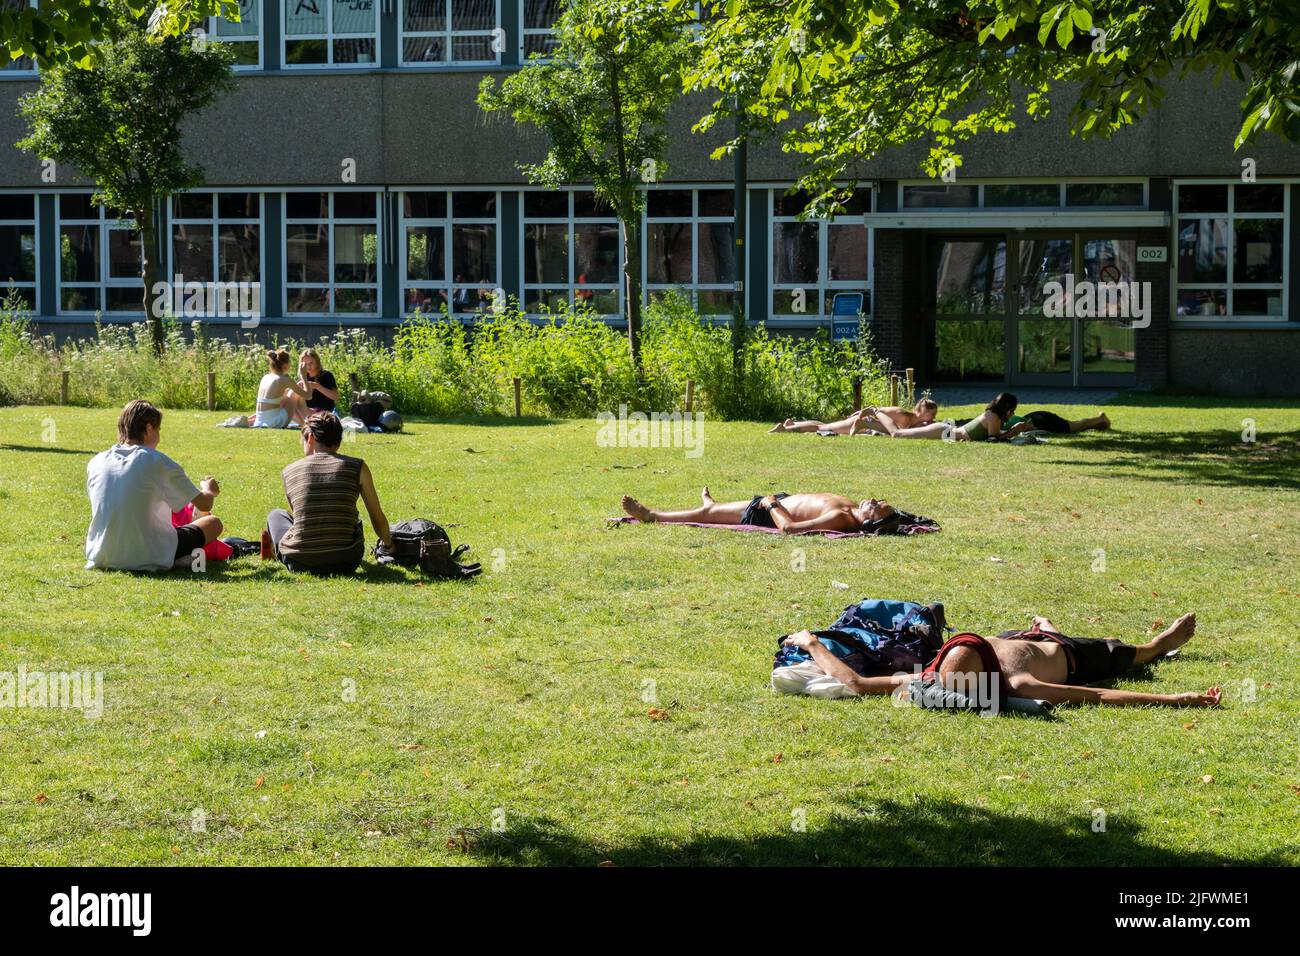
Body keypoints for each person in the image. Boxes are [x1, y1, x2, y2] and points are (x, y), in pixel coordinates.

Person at [781, 611, 1220, 707]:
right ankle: (1161, 644)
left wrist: (811, 642)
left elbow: (855, 681)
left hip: (1021, 636)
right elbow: (1098, 693)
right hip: (1072, 656)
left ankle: (1042, 625)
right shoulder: (1018, 682)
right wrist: (1174, 700)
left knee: (1038, 630)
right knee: (1133, 653)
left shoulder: (933, 674)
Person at [85, 400, 224, 572]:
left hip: (102, 555)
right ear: (149, 428)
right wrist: (208, 489)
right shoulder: (156, 460)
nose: (159, 436)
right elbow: (205, 504)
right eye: (158, 430)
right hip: (149, 553)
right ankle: (176, 559)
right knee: (213, 523)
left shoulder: (96, 461)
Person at [264, 412, 393, 574]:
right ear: (339, 439)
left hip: (300, 562)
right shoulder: (358, 467)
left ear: (310, 437)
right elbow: (376, 516)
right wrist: (389, 545)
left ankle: (278, 550)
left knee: (276, 515)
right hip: (347, 560)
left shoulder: (290, 471)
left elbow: (299, 518)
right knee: (355, 520)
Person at [621, 488, 896, 535]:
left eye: (876, 506)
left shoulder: (842, 518)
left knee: (707, 515)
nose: (872, 499)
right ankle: (712, 507)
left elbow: (789, 529)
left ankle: (652, 515)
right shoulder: (849, 507)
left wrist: (772, 504)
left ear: (872, 521)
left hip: (767, 511)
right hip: (777, 501)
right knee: (715, 510)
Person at [863, 392, 1018, 441]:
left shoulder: (994, 416)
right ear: (1007, 407)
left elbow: (995, 436)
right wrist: (1015, 431)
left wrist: (1013, 431)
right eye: (1012, 409)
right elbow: (993, 440)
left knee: (901, 433)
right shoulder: (993, 416)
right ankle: (876, 412)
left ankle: (867, 424)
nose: (1013, 413)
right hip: (945, 432)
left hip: (948, 432)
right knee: (897, 434)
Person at [769, 399, 939, 435]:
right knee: (822, 428)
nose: (933, 418)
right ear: (923, 410)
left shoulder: (916, 423)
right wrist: (856, 416)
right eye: (932, 414)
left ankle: (792, 423)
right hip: (858, 422)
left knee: (825, 424)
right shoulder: (901, 414)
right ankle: (784, 429)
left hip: (862, 424)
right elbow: (873, 409)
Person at [253, 349, 313, 428]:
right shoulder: (284, 379)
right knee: (294, 393)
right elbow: (308, 396)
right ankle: (310, 423)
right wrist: (304, 376)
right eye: (289, 362)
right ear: (285, 365)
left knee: (289, 392)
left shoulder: (265, 377)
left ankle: (306, 422)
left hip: (259, 422)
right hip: (274, 422)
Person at [280, 348, 341, 418]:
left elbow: (336, 396)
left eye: (311, 363)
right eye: (305, 364)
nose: (308, 366)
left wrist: (317, 386)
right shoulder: (304, 376)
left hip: (324, 412)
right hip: (307, 411)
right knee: (287, 403)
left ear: (317, 362)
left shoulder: (326, 375)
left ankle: (306, 422)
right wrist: (296, 387)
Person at [996, 409, 1111, 439]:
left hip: (1040, 420)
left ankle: (1101, 418)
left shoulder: (995, 421)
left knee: (1075, 427)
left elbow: (1024, 426)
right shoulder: (996, 417)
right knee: (1075, 427)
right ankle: (1098, 423)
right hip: (1035, 417)